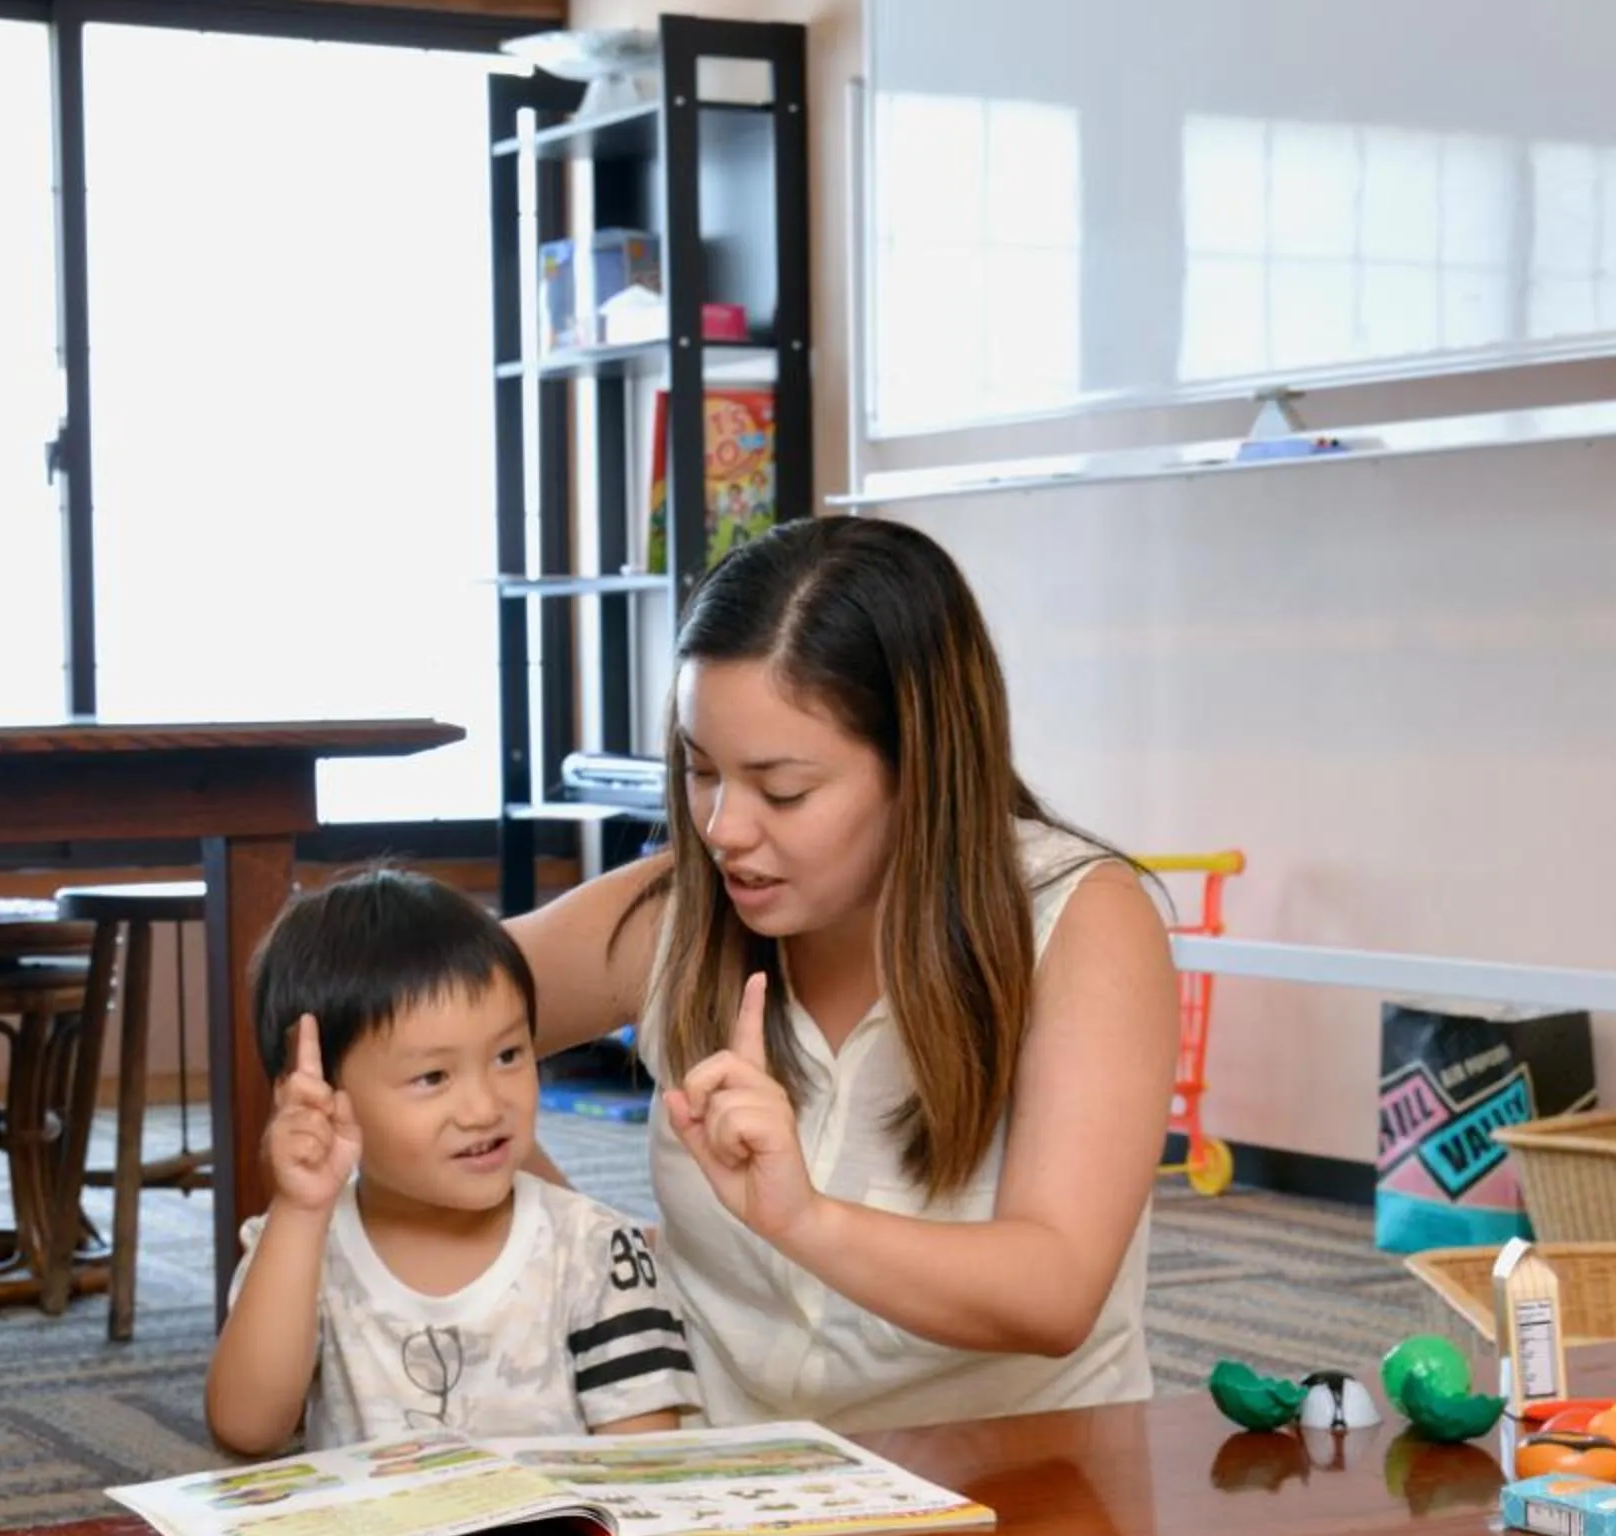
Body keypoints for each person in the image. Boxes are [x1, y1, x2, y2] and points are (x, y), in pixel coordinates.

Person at [507, 515, 1180, 1433]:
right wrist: (584, 1254)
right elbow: (393, 1017)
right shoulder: (676, 910)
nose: (723, 828)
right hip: (721, 1489)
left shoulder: (1081, 920)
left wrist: (806, 1219)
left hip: (1013, 1494)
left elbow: (1056, 1292)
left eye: (783, 790)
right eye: (701, 771)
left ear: (923, 768)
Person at [204, 868, 701, 1456]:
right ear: (322, 1094)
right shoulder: (299, 1248)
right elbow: (245, 1430)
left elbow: (650, 1469)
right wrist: (300, 1211)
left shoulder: (596, 1250)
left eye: (509, 1054)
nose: (484, 1106)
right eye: (433, 1076)